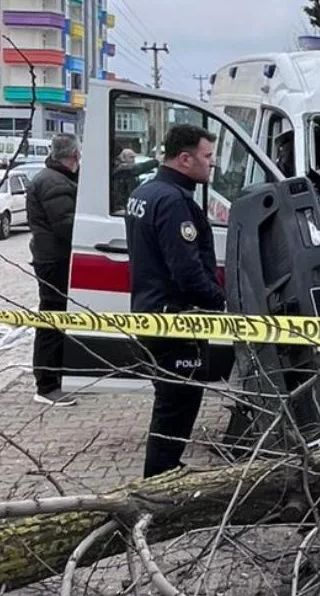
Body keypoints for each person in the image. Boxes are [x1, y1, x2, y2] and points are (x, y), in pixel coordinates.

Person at [125, 124, 225, 478]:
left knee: (170, 403)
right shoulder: (173, 201)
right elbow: (187, 272)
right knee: (177, 406)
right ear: (185, 159)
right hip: (176, 322)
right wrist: (221, 301)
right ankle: (159, 483)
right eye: (207, 156)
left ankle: (166, 470)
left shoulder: (146, 192)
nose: (212, 165)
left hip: (151, 315)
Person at [27, 134, 82, 407]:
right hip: (53, 261)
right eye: (78, 156)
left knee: (57, 318)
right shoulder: (52, 182)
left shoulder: (57, 178)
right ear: (71, 156)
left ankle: (57, 377)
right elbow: (66, 225)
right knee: (52, 320)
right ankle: (47, 384)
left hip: (52, 258)